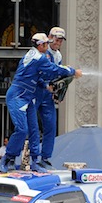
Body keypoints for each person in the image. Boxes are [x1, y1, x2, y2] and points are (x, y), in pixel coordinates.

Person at [3, 32, 82, 173]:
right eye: (46, 43)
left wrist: (46, 86)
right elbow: (54, 70)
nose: (49, 45)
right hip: (17, 96)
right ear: (40, 45)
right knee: (22, 129)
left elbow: (35, 75)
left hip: (28, 97)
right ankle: (8, 158)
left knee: (34, 130)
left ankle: (36, 161)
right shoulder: (39, 58)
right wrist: (72, 71)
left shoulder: (34, 55)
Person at [37, 26, 68, 168]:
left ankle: (45, 157)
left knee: (50, 125)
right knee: (29, 126)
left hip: (48, 94)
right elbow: (38, 72)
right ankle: (31, 157)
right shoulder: (43, 52)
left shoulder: (58, 55)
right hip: (36, 90)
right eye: (56, 39)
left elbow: (58, 76)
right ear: (50, 37)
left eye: (61, 40)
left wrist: (59, 92)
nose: (58, 42)